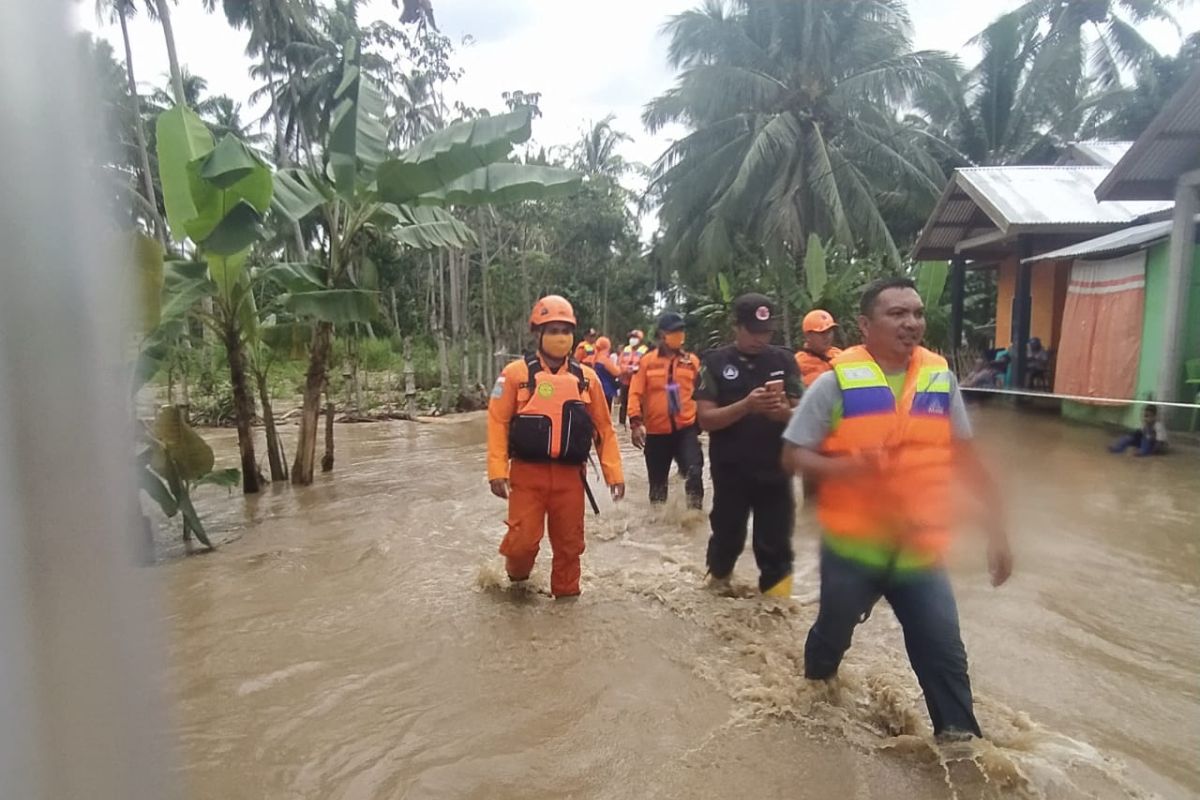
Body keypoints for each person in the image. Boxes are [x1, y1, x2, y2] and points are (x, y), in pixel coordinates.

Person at [781, 276, 1013, 741]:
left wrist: (997, 530)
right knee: (831, 638)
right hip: (853, 548)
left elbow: (967, 459)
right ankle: (811, 700)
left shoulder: (940, 380)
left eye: (918, 313)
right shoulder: (833, 384)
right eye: (897, 314)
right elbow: (792, 455)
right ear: (866, 325)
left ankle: (962, 753)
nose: (911, 323)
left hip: (919, 547)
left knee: (944, 653)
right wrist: (848, 469)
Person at [487, 296, 625, 598]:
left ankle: (566, 610)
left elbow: (604, 429)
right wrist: (497, 470)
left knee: (569, 547)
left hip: (570, 479)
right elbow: (497, 421)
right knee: (522, 543)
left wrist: (614, 474)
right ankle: (517, 586)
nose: (560, 336)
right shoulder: (514, 375)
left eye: (565, 330)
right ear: (538, 333)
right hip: (527, 475)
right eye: (553, 330)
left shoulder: (587, 379)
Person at [696, 293, 803, 597]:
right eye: (753, 332)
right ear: (737, 327)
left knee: (777, 544)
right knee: (727, 538)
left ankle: (777, 611)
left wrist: (782, 412)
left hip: (777, 470)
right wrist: (745, 406)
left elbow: (803, 414)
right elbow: (705, 419)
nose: (760, 339)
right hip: (731, 471)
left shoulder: (784, 360)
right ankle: (717, 591)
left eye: (766, 332)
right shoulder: (715, 363)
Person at [628, 312, 704, 509]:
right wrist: (635, 423)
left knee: (694, 472)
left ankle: (694, 518)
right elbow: (635, 392)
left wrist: (704, 420)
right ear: (663, 335)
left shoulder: (692, 362)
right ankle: (660, 527)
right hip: (656, 433)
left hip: (685, 429)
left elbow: (703, 393)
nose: (680, 335)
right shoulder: (647, 362)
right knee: (658, 491)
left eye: (681, 331)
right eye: (675, 332)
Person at [795, 309, 844, 388]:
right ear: (808, 336)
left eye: (829, 332)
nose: (827, 337)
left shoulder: (840, 355)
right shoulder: (798, 363)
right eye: (821, 333)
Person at [617, 329, 650, 427]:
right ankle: (622, 423)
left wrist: (636, 370)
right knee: (624, 403)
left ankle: (640, 422)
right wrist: (626, 370)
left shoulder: (645, 351)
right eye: (631, 337)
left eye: (635, 337)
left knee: (639, 403)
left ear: (640, 339)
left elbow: (646, 365)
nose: (632, 339)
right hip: (625, 380)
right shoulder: (626, 350)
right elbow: (620, 363)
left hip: (638, 381)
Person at [592, 335, 622, 407]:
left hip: (597, 389)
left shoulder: (595, 357)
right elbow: (617, 372)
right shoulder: (604, 359)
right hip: (607, 390)